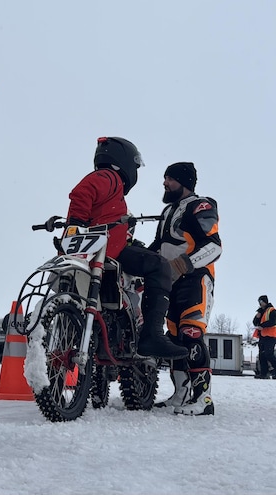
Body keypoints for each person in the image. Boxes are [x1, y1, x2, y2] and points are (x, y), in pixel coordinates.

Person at [71, 137, 187, 361]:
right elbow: (82, 193)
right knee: (159, 265)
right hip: (103, 250)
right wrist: (76, 222)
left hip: (94, 250)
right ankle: (152, 334)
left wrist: (76, 226)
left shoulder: (111, 190)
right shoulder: (109, 177)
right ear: (124, 161)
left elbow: (99, 216)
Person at [150, 161, 221, 416]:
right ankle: (180, 395)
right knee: (173, 338)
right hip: (169, 283)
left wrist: (183, 264)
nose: (165, 183)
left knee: (191, 333)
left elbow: (214, 246)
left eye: (169, 178)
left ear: (184, 181)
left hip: (196, 279)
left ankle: (203, 399)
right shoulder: (168, 211)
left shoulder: (201, 205)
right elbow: (158, 247)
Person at [253, 295, 276, 379]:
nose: (260, 304)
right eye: (259, 302)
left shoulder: (272, 310)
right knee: (262, 355)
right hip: (263, 336)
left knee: (269, 354)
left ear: (265, 301)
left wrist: (262, 326)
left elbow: (273, 322)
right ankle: (264, 373)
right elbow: (255, 323)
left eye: (261, 302)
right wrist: (257, 317)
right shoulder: (261, 312)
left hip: (271, 336)